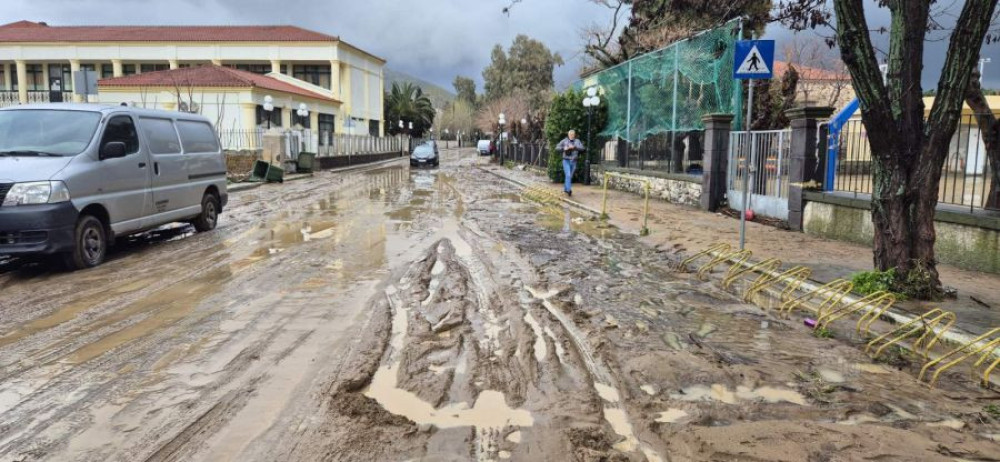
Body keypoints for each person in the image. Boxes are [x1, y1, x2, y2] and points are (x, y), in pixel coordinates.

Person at [556, 130, 585, 196]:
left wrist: (575, 147)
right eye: (570, 134)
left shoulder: (577, 141)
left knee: (569, 176)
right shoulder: (564, 141)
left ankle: (566, 189)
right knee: (568, 175)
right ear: (568, 135)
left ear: (574, 135)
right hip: (566, 160)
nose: (571, 135)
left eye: (573, 134)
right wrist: (564, 148)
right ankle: (569, 190)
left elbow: (582, 148)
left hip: (574, 161)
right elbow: (557, 148)